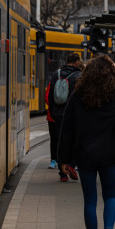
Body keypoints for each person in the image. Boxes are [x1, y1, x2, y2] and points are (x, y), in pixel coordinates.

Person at [58, 55, 115, 229]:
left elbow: (67, 129)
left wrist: (64, 159)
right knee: (111, 196)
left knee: (90, 201)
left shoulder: (78, 95)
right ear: (111, 73)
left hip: (86, 155)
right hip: (110, 154)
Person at [47, 52, 83, 182]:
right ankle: (71, 165)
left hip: (58, 113)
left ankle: (62, 173)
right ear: (77, 62)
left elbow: (51, 96)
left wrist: (53, 112)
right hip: (73, 114)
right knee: (74, 141)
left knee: (60, 141)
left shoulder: (56, 74)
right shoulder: (79, 76)